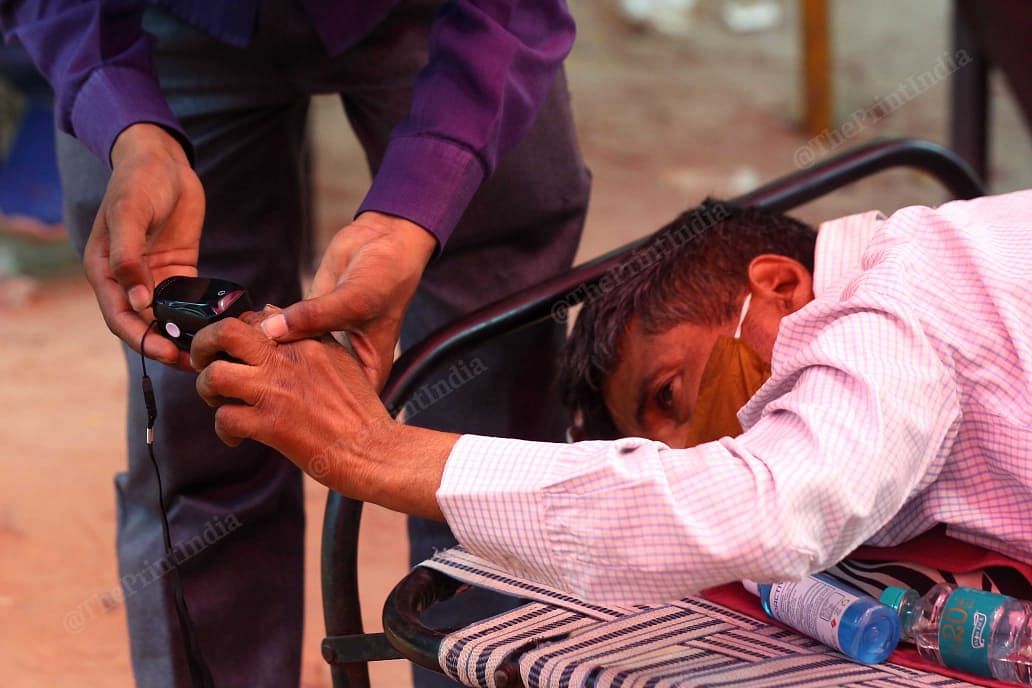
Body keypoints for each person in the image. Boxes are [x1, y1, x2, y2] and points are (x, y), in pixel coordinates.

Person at [1, 1, 589, 686]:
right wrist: (127, 123)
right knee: (206, 423)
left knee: (493, 438)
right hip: (165, 24)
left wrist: (423, 197)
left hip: (441, 21)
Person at [192, 189, 1032, 608]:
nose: (693, 447)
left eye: (670, 392)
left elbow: (764, 510)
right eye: (664, 443)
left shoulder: (895, 307)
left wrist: (378, 451)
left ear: (777, 285)